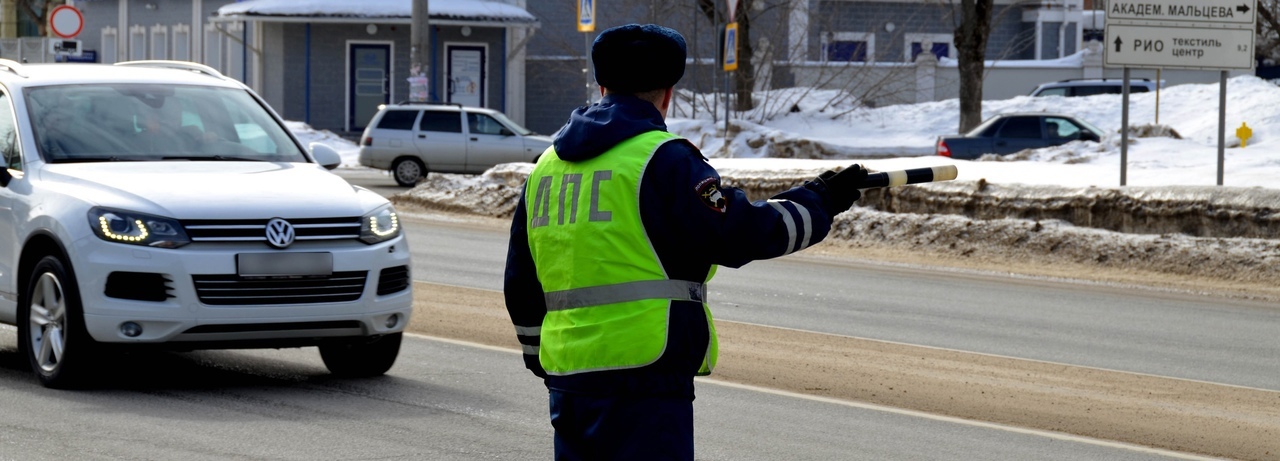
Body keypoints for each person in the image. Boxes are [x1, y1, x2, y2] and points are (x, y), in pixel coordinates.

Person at [503, 23, 868, 460]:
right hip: (645, 370)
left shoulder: (546, 167)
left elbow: (521, 278)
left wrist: (537, 352)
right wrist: (819, 202)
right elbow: (740, 234)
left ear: (602, 85)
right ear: (667, 93)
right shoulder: (663, 157)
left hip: (569, 374)